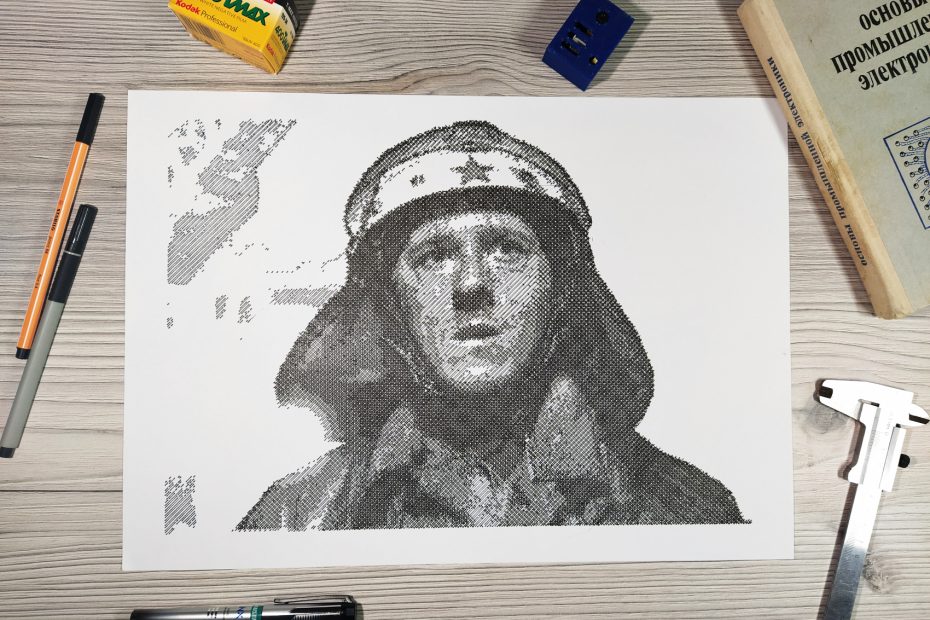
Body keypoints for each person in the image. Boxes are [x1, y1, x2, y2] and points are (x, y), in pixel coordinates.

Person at [237, 121, 746, 531]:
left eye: (506, 249)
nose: (472, 284)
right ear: (390, 302)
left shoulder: (687, 507)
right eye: (434, 256)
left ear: (560, 286)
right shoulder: (296, 516)